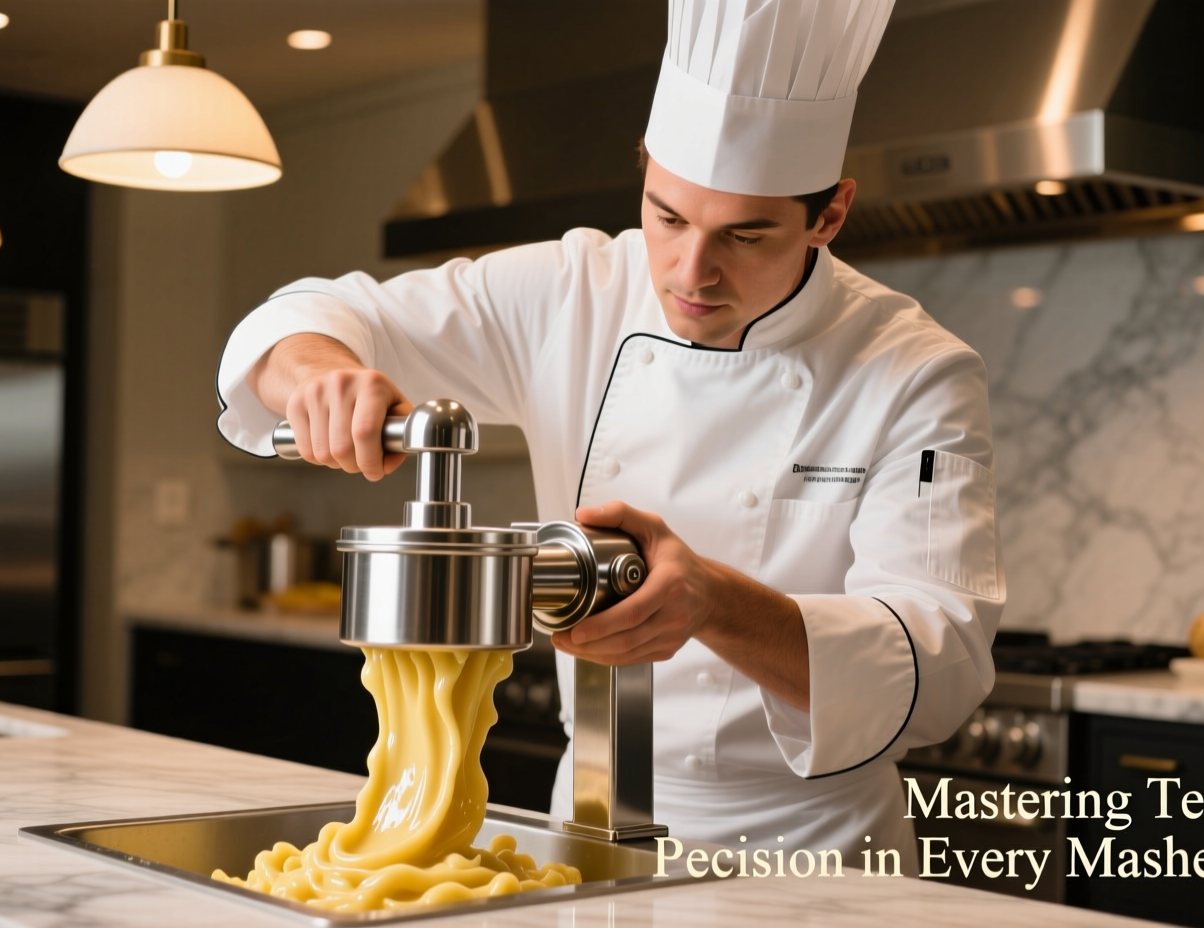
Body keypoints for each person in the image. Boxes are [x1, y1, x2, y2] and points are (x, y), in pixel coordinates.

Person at [215, 0, 1001, 865]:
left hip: (813, 850)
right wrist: (319, 375)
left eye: (744, 234)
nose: (690, 272)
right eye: (666, 216)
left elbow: (938, 667)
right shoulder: (574, 290)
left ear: (831, 213)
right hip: (585, 821)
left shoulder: (916, 371)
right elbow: (309, 314)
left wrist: (710, 600)